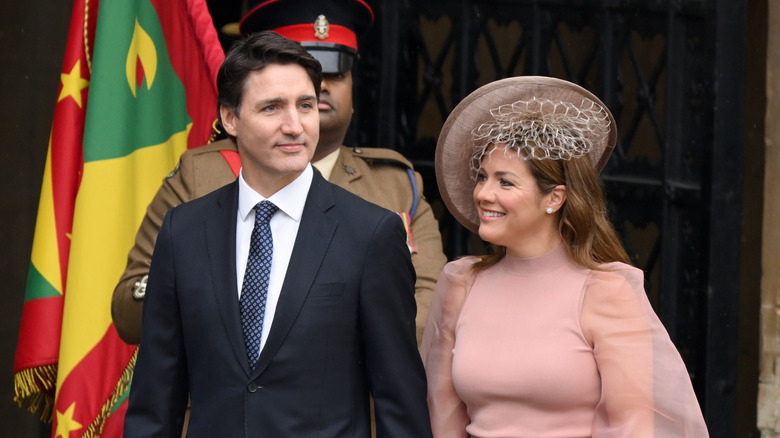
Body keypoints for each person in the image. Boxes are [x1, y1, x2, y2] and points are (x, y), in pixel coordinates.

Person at [123, 31, 432, 437]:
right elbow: (155, 401)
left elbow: (400, 404)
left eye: (305, 105)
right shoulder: (184, 231)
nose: (295, 125)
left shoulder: (371, 233)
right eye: (272, 108)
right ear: (230, 118)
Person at [112, 0, 446, 346]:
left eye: (336, 71)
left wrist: (332, 356)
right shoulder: (202, 174)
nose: (323, 86)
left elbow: (431, 304)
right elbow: (128, 312)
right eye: (302, 71)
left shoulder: (394, 184)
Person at [420, 76, 709, 437]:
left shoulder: (606, 291)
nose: (483, 193)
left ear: (554, 199)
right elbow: (441, 412)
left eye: (504, 182)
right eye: (482, 177)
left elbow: (632, 426)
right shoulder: (461, 283)